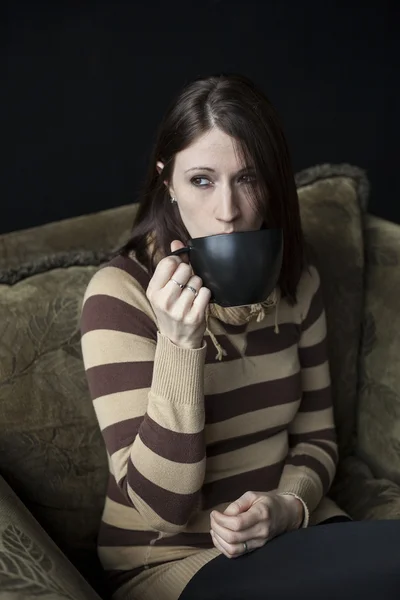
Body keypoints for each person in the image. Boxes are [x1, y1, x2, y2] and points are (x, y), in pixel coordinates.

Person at [80, 74, 400, 600]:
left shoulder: (299, 281)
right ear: (168, 182)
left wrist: (290, 505)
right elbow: (165, 509)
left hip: (292, 536)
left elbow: (318, 437)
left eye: (247, 179)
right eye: (201, 180)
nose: (227, 211)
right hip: (174, 562)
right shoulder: (120, 296)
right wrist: (180, 346)